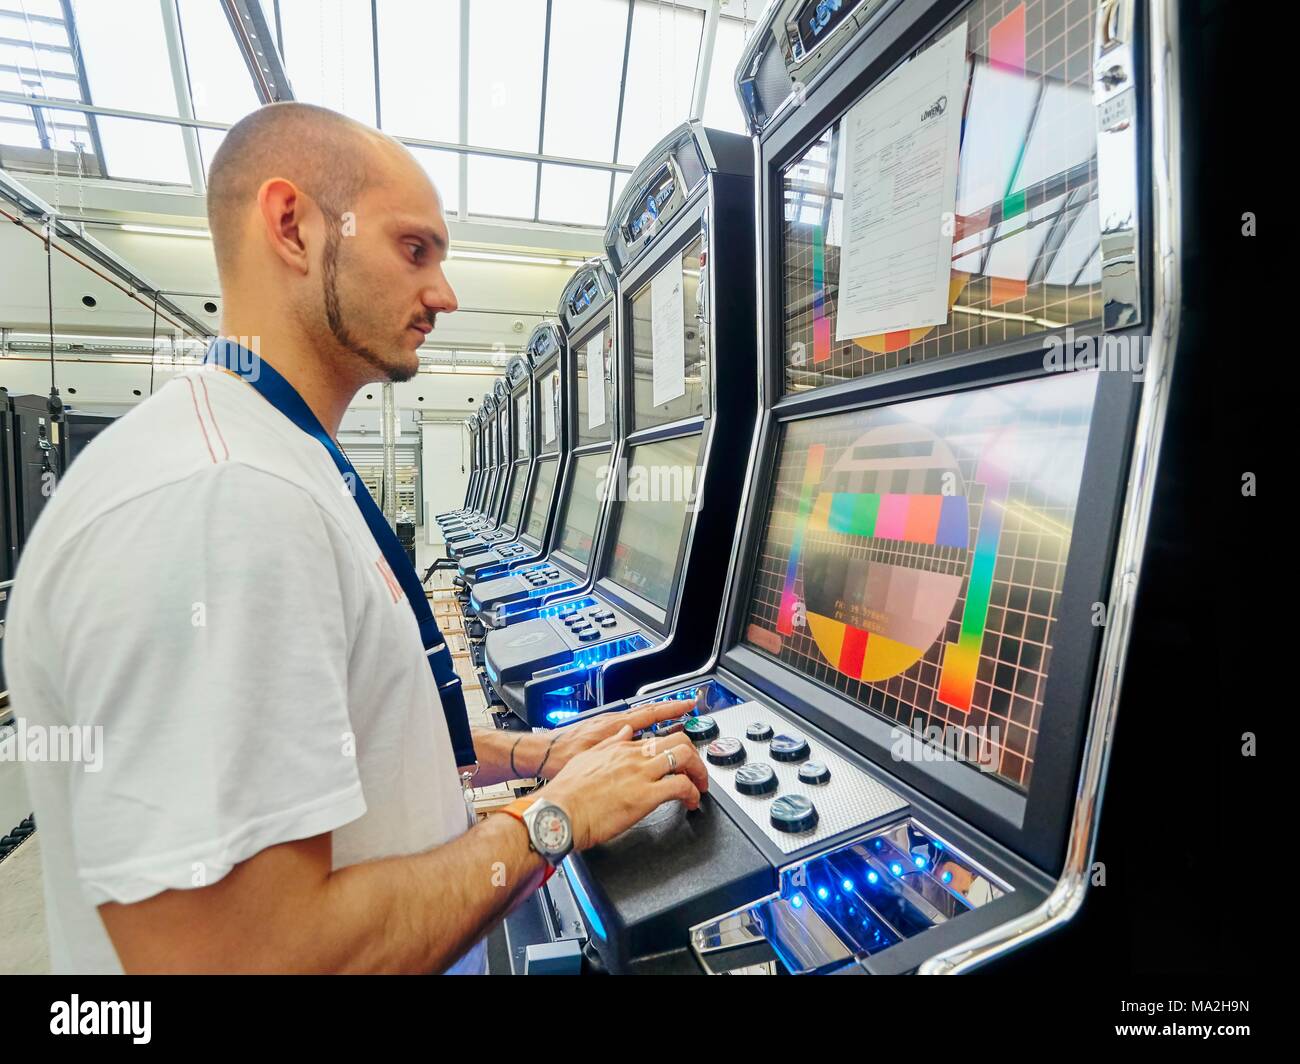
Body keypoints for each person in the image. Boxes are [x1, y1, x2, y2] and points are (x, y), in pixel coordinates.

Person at [3, 102, 706, 974]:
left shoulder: (270, 456)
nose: (444, 294)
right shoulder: (225, 500)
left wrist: (533, 754)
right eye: (415, 249)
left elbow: (346, 733)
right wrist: (549, 820)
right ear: (292, 226)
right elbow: (255, 959)